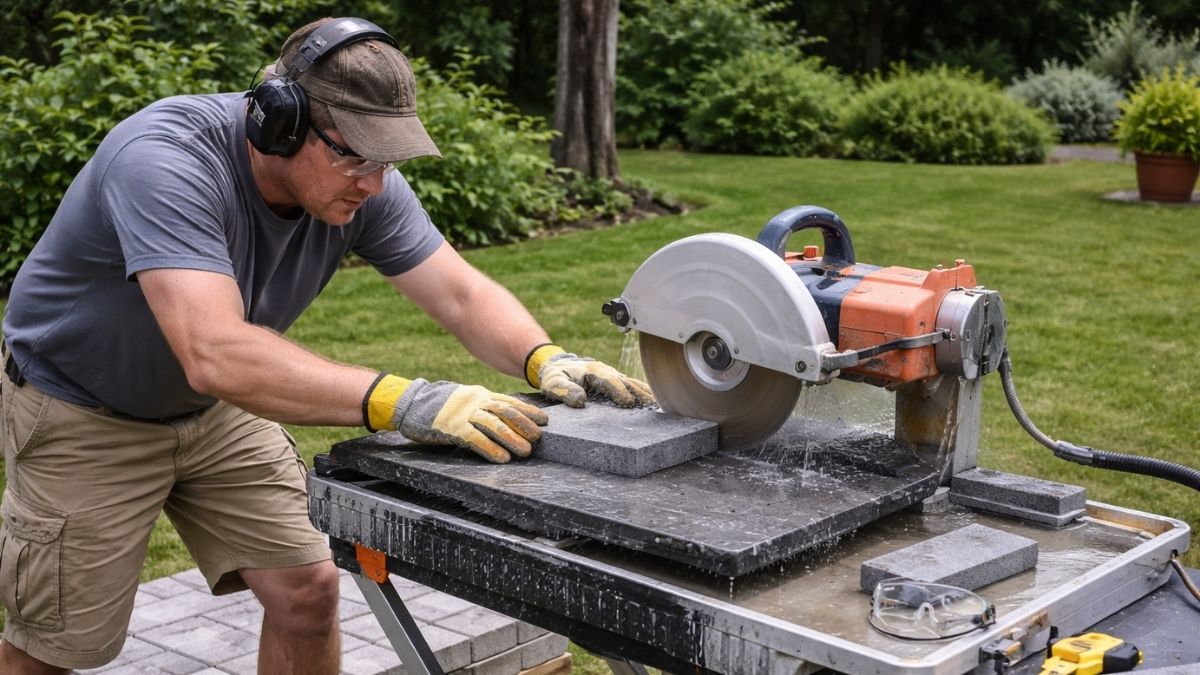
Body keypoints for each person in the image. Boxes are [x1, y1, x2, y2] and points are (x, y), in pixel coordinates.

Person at [0, 16, 652, 674]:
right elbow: (216, 350)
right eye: (354, 154)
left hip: (213, 408)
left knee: (308, 590)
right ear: (277, 122)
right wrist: (403, 400)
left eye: (385, 159)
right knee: (54, 648)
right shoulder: (164, 162)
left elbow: (460, 294)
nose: (372, 182)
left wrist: (544, 356)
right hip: (83, 411)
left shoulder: (363, 187)